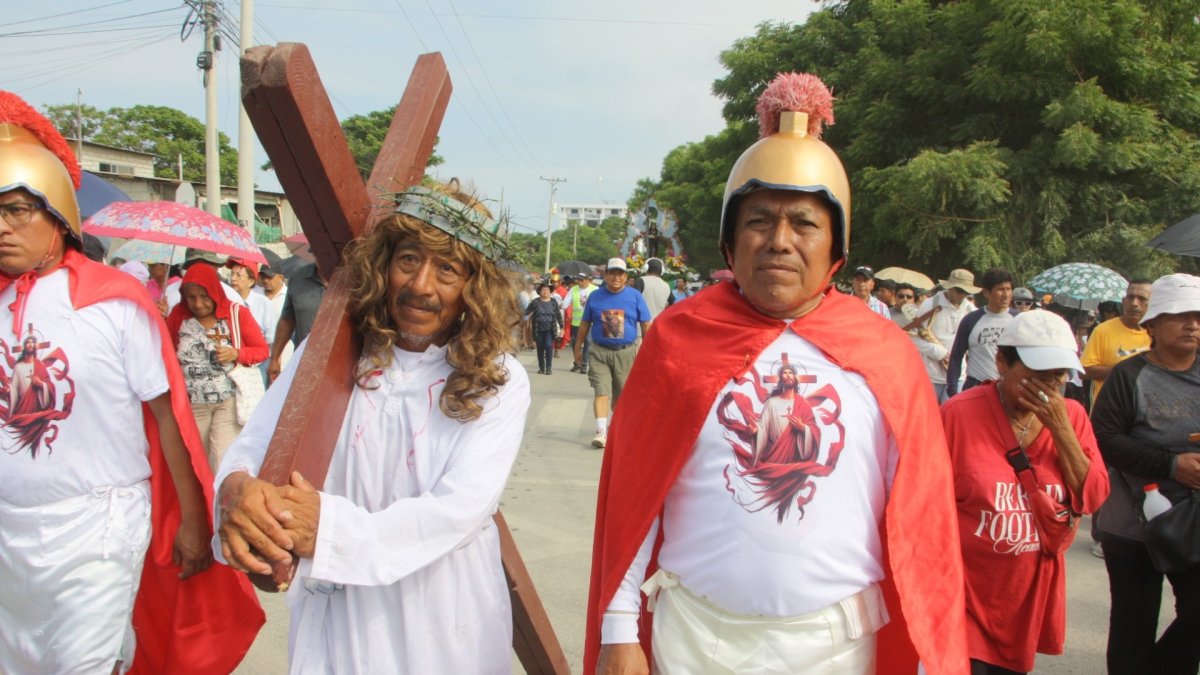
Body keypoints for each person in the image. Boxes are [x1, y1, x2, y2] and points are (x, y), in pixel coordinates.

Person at [586, 72, 967, 675]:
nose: (780, 242)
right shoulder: (678, 341)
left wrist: (929, 652)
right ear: (730, 242)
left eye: (805, 223)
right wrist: (617, 627)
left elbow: (921, 518)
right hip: (692, 639)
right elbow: (636, 501)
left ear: (835, 245)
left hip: (837, 647)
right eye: (759, 220)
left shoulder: (885, 352)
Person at [215, 181, 529, 673]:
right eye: (408, 260)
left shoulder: (499, 379)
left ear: (475, 285)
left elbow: (460, 508)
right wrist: (236, 487)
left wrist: (330, 530)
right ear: (383, 264)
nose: (421, 286)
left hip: (440, 617)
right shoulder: (330, 355)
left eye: (446, 268)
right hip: (337, 614)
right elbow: (255, 444)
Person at [0, 90, 261, 673]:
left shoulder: (113, 302)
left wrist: (193, 522)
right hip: (9, 531)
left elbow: (168, 418)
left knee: (82, 663)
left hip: (97, 527)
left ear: (58, 213)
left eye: (17, 208)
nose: (3, 227)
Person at [942, 309, 1108, 674]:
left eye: (1059, 377)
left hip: (1028, 598)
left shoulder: (1073, 416)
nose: (1049, 388)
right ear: (1002, 363)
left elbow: (1093, 498)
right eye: (1036, 376)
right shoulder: (957, 415)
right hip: (966, 597)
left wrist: (1062, 431)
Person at [1091, 273, 1200, 675]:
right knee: (1132, 628)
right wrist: (1171, 464)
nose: (1191, 324)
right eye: (1179, 315)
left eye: (1198, 316)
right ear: (1151, 324)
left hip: (1193, 521)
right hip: (1133, 524)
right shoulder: (1128, 376)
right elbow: (1104, 439)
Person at [166, 264, 269, 471]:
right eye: (191, 297)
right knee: (196, 462)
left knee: (222, 459)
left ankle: (221, 501)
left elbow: (262, 350)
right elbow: (164, 350)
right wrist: (158, 319)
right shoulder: (178, 316)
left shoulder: (235, 313)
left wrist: (236, 353)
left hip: (227, 400)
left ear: (214, 291)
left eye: (204, 296)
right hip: (192, 403)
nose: (198, 304)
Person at [575, 257, 651, 449]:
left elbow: (646, 324)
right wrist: (578, 348)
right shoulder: (596, 296)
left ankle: (615, 427)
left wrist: (649, 350)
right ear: (605, 275)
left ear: (625, 277)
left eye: (620, 274)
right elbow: (585, 325)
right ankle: (601, 432)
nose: (616, 277)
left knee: (620, 395)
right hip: (599, 351)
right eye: (612, 273)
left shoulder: (635, 296)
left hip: (625, 353)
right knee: (601, 390)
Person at [908, 269, 979, 401]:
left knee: (952, 418)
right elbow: (912, 337)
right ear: (950, 287)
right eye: (959, 290)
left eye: (966, 292)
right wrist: (936, 351)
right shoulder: (931, 304)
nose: (962, 295)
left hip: (958, 376)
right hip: (930, 375)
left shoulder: (971, 310)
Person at [945, 267, 1016, 397]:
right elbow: (956, 358)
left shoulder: (1019, 320)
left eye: (1008, 289)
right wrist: (953, 390)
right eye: (1000, 290)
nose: (1006, 294)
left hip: (1008, 390)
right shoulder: (971, 320)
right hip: (976, 388)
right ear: (986, 293)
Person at [1080, 279, 1152, 404]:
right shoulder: (1103, 330)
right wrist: (1126, 372)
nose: (1134, 303)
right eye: (1130, 297)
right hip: (1107, 410)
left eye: (1142, 298)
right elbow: (1084, 371)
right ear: (1123, 302)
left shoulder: (1159, 333)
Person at [267, 260, 326, 383]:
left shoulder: (356, 277)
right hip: (305, 364)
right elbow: (287, 319)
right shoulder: (299, 277)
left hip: (346, 366)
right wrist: (275, 358)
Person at [257, 264, 290, 385]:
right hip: (261, 351)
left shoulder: (288, 296)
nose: (266, 280)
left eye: (270, 277)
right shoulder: (257, 295)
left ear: (280, 277)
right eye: (263, 277)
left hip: (284, 349)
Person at [228, 259, 271, 344]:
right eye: (232, 274)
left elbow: (271, 337)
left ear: (251, 282)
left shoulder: (263, 303)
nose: (233, 279)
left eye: (238, 275)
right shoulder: (227, 300)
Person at [526, 282, 563, 374]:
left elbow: (558, 315)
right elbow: (526, 311)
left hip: (550, 329)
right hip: (538, 329)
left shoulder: (554, 302)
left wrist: (562, 327)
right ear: (539, 292)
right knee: (540, 348)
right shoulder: (535, 302)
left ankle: (549, 368)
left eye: (547, 290)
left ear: (550, 291)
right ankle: (542, 368)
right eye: (543, 290)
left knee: (548, 346)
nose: (545, 291)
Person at [568, 272, 595, 374]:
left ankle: (584, 364)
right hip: (576, 322)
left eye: (582, 280)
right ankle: (577, 363)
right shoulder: (573, 289)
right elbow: (566, 302)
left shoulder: (594, 290)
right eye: (578, 280)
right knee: (575, 343)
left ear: (588, 280)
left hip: (590, 322)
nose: (579, 282)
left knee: (588, 342)